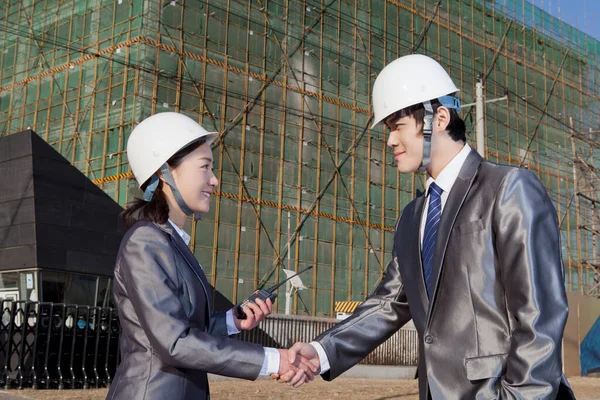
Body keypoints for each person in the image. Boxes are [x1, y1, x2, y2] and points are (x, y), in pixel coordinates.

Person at [279, 54, 575, 399]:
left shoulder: (508, 189)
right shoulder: (412, 217)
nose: (389, 140)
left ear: (440, 118)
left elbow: (540, 313)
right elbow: (388, 304)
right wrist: (321, 351)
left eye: (396, 126)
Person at [106, 112, 315, 400]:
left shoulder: (169, 242)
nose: (214, 180)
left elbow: (188, 329)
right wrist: (274, 359)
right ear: (164, 172)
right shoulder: (145, 243)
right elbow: (175, 342)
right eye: (205, 167)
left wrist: (233, 320)